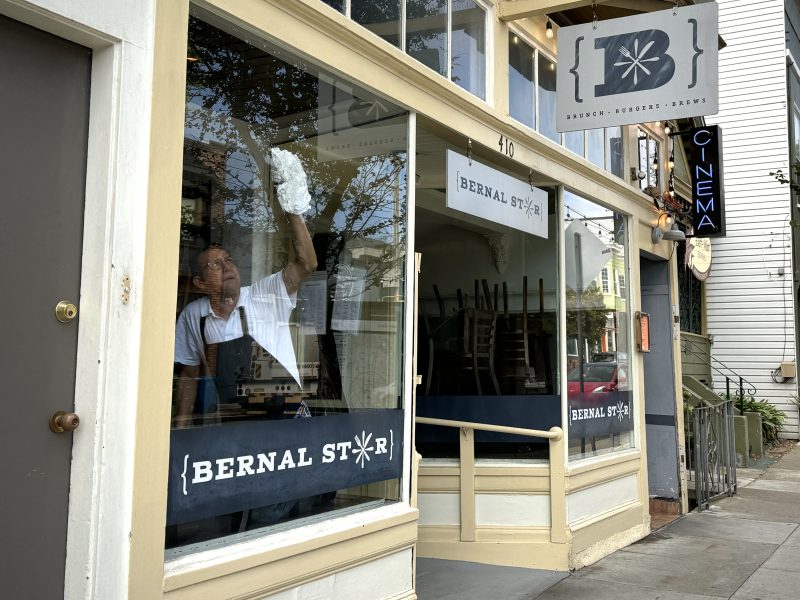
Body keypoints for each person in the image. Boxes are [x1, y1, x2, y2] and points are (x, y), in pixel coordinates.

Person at [173, 149, 317, 428]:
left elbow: (307, 263)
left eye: (228, 260)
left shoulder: (265, 296)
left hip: (286, 416)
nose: (226, 267)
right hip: (230, 418)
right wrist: (181, 427)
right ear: (200, 283)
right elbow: (190, 374)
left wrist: (294, 210)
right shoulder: (194, 315)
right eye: (214, 265)